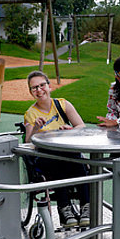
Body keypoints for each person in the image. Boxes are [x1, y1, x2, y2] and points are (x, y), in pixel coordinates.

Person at [23, 70, 90, 228]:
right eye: (34, 88)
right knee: (57, 162)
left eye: (42, 85)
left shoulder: (62, 104)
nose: (39, 90)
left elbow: (81, 126)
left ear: (49, 86)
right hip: (46, 157)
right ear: (31, 92)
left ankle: (86, 206)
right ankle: (65, 208)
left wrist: (70, 130)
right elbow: (28, 141)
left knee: (78, 162)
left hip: (67, 152)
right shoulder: (31, 114)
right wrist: (36, 129)